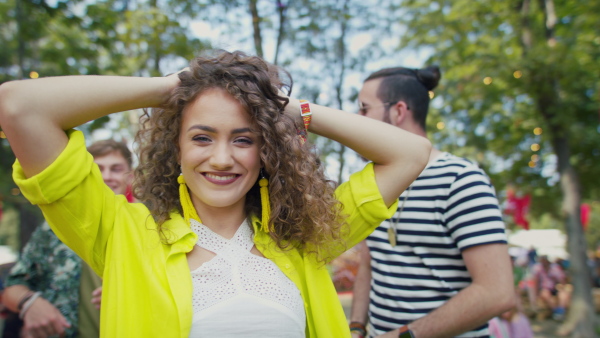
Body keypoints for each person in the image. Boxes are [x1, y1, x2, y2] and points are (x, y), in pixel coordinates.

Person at [0, 50, 432, 337]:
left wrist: (290, 109)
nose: (223, 159)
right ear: (177, 148)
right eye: (202, 138)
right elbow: (19, 107)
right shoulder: (122, 234)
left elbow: (410, 153)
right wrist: (170, 88)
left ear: (267, 152)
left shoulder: (302, 239)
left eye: (244, 139)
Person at [349, 66, 515, 338]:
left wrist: (404, 335)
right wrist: (356, 326)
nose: (358, 118)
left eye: (365, 109)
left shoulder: (461, 179)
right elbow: (370, 263)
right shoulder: (371, 182)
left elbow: (497, 292)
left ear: (398, 111)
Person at [1, 139, 133, 338]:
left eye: (116, 169)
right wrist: (30, 303)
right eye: (97, 169)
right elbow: (13, 286)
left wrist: (134, 291)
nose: (106, 176)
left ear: (130, 175)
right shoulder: (54, 229)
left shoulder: (150, 227)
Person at [531, 255, 570, 320]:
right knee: (545, 294)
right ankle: (555, 311)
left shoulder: (555, 268)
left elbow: (562, 279)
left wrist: (559, 284)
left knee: (563, 294)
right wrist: (536, 293)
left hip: (555, 288)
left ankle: (561, 310)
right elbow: (536, 281)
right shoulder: (538, 269)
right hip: (545, 289)